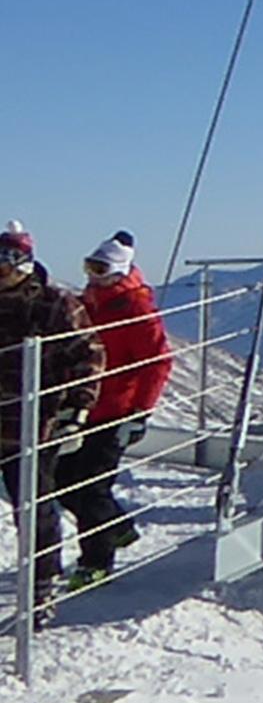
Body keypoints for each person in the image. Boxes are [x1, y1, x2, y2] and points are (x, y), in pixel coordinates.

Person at [0, 222, 102, 609]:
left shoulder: (55, 305)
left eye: (7, 262)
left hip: (31, 426)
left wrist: (77, 407)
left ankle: (41, 588)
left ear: (24, 263)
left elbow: (88, 354)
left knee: (34, 508)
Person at [58, 232, 170, 585]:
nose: (92, 275)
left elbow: (158, 362)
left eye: (100, 268)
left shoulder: (135, 308)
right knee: (63, 479)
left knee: (91, 487)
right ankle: (117, 526)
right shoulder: (90, 301)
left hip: (115, 409)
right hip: (85, 407)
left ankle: (97, 561)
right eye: (89, 267)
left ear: (119, 270)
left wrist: (140, 412)